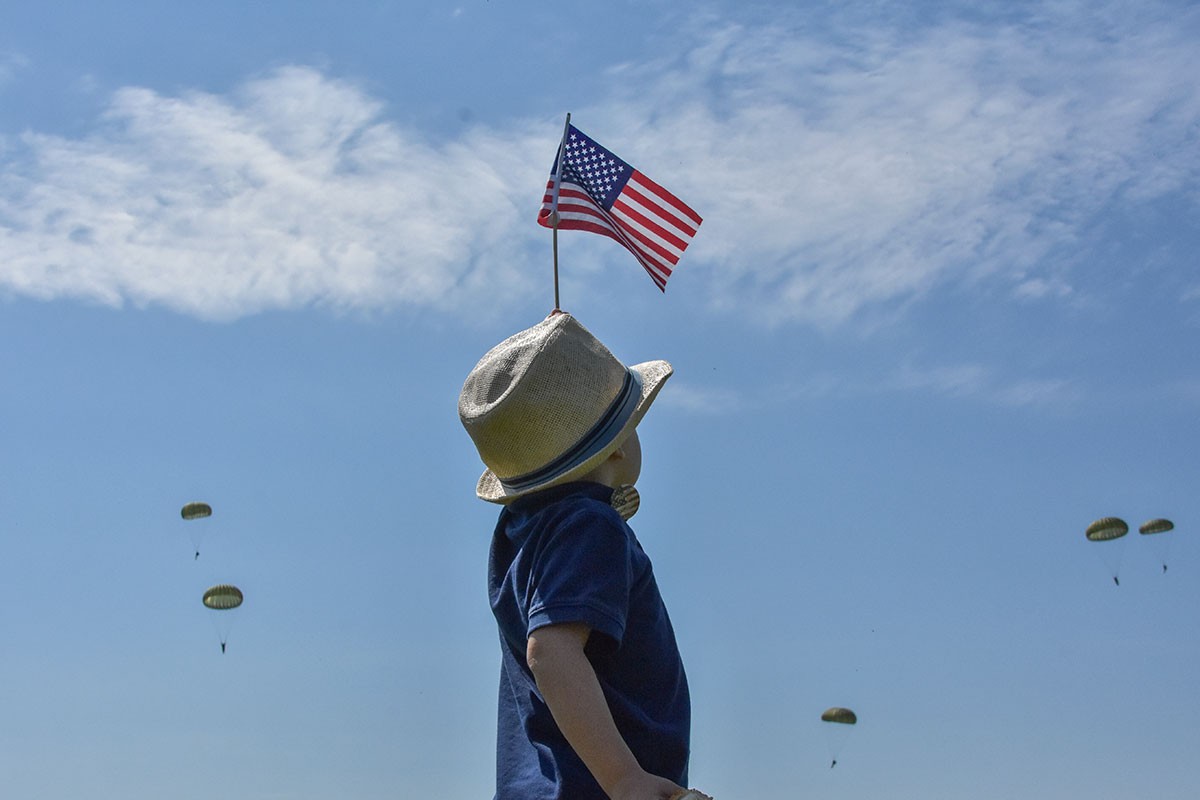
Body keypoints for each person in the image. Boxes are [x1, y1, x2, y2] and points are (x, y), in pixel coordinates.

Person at [459, 311, 692, 800]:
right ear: (614, 451)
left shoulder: (522, 530)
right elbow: (552, 652)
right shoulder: (589, 527)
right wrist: (624, 779)